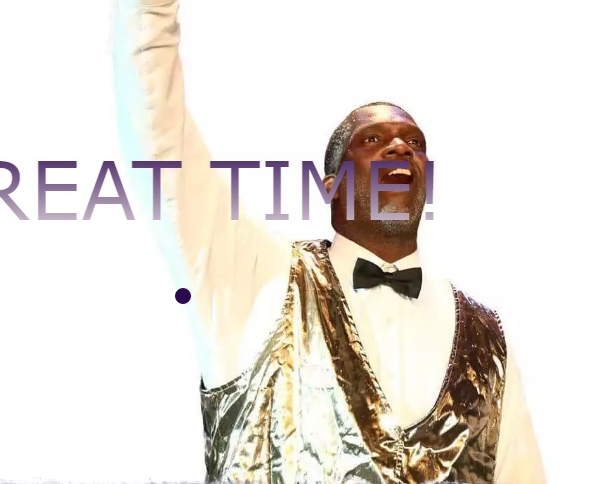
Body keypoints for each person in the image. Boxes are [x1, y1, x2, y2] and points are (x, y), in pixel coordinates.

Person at [111, 1, 546, 483]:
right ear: (331, 185)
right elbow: (159, 140)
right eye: (373, 140)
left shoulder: (488, 338)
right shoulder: (257, 277)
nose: (400, 148)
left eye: (415, 143)